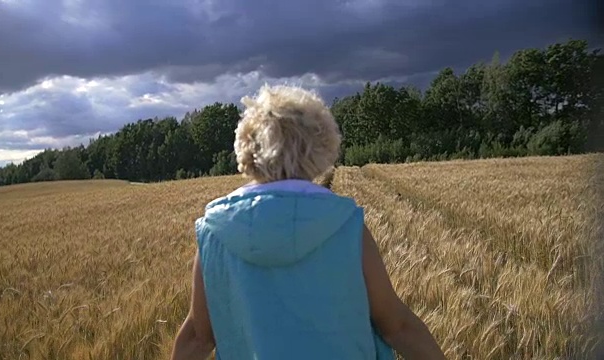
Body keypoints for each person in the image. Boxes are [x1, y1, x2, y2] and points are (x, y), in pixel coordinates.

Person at [170, 84, 446, 360]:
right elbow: (397, 327)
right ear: (323, 146)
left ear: (246, 148)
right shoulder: (345, 225)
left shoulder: (215, 232)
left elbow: (198, 337)